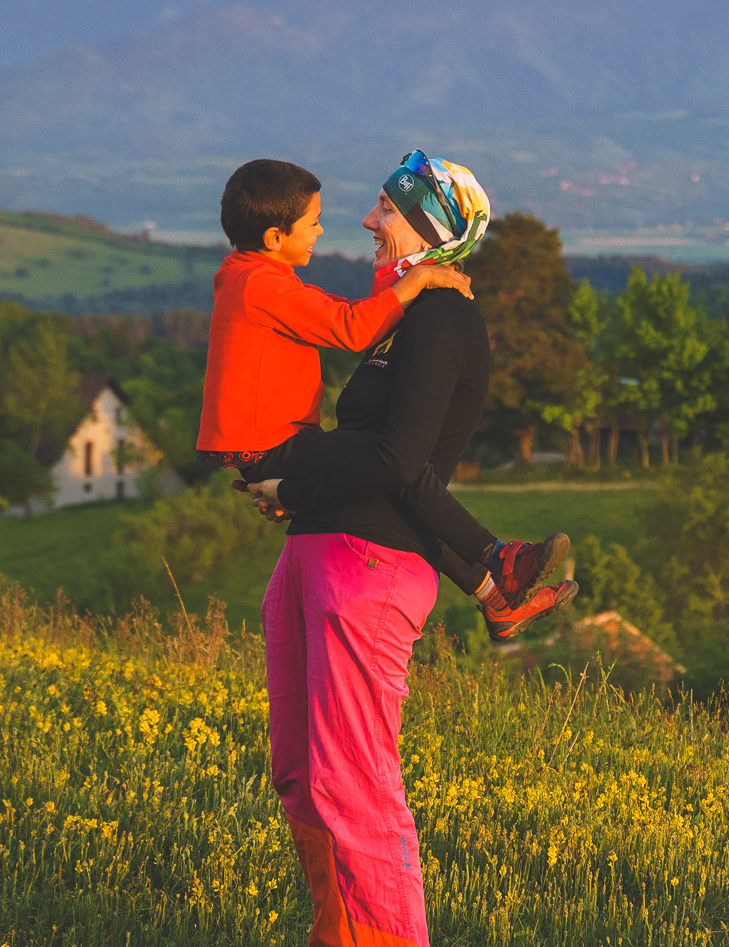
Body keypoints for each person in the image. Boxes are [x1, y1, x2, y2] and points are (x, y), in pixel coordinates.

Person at [247, 150, 575, 947]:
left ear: (428, 226)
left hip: (369, 567)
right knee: (300, 773)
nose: (366, 222)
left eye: (384, 209)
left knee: (356, 780)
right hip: (314, 554)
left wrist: (290, 473)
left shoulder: (441, 323)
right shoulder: (402, 320)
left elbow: (400, 465)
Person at [197, 157, 572, 639]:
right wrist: (414, 282)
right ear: (274, 238)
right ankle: (497, 555)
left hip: (271, 449)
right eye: (313, 223)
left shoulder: (245, 275)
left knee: (400, 470)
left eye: (386, 210)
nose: (330, 228)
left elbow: (334, 310)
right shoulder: (260, 284)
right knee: (399, 460)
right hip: (274, 448)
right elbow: (351, 327)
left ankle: (495, 597)